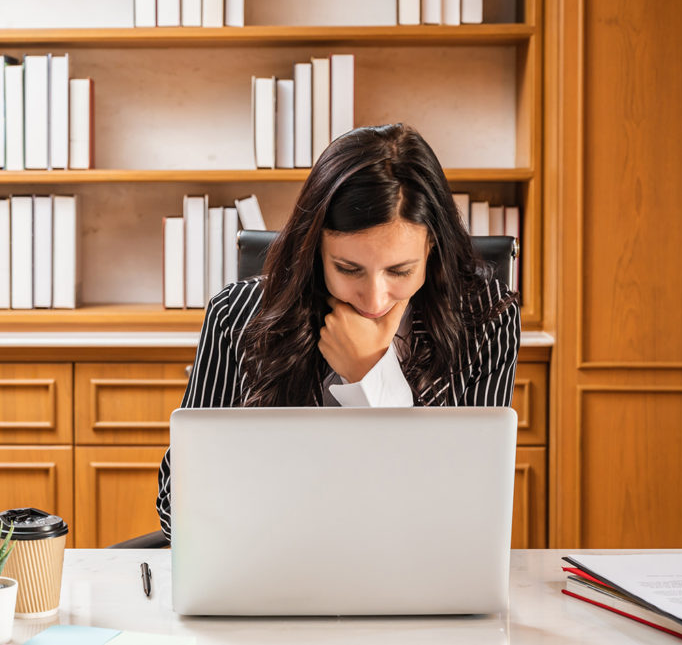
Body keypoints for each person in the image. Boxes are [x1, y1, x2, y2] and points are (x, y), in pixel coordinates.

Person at [156, 123, 520, 539]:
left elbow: (465, 505)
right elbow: (176, 506)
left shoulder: (485, 317)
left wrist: (368, 374)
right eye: (348, 269)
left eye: (400, 271)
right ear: (314, 250)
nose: (373, 298)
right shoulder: (235, 314)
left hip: (412, 571)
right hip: (270, 564)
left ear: (432, 248)